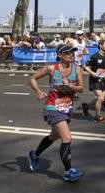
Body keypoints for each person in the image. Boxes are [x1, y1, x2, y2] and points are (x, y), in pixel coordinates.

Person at [27, 44, 85, 182]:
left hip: (67, 108)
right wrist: (39, 92)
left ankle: (34, 154)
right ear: (59, 55)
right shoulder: (51, 68)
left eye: (72, 52)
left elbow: (81, 88)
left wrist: (70, 86)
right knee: (66, 138)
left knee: (54, 136)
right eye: (67, 52)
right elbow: (32, 79)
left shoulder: (77, 69)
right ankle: (68, 171)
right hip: (53, 107)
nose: (71, 55)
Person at [81, 39, 105, 123]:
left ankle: (86, 106)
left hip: (103, 80)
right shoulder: (94, 56)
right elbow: (85, 66)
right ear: (100, 46)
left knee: (101, 99)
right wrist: (92, 73)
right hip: (94, 80)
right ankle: (97, 116)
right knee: (100, 98)